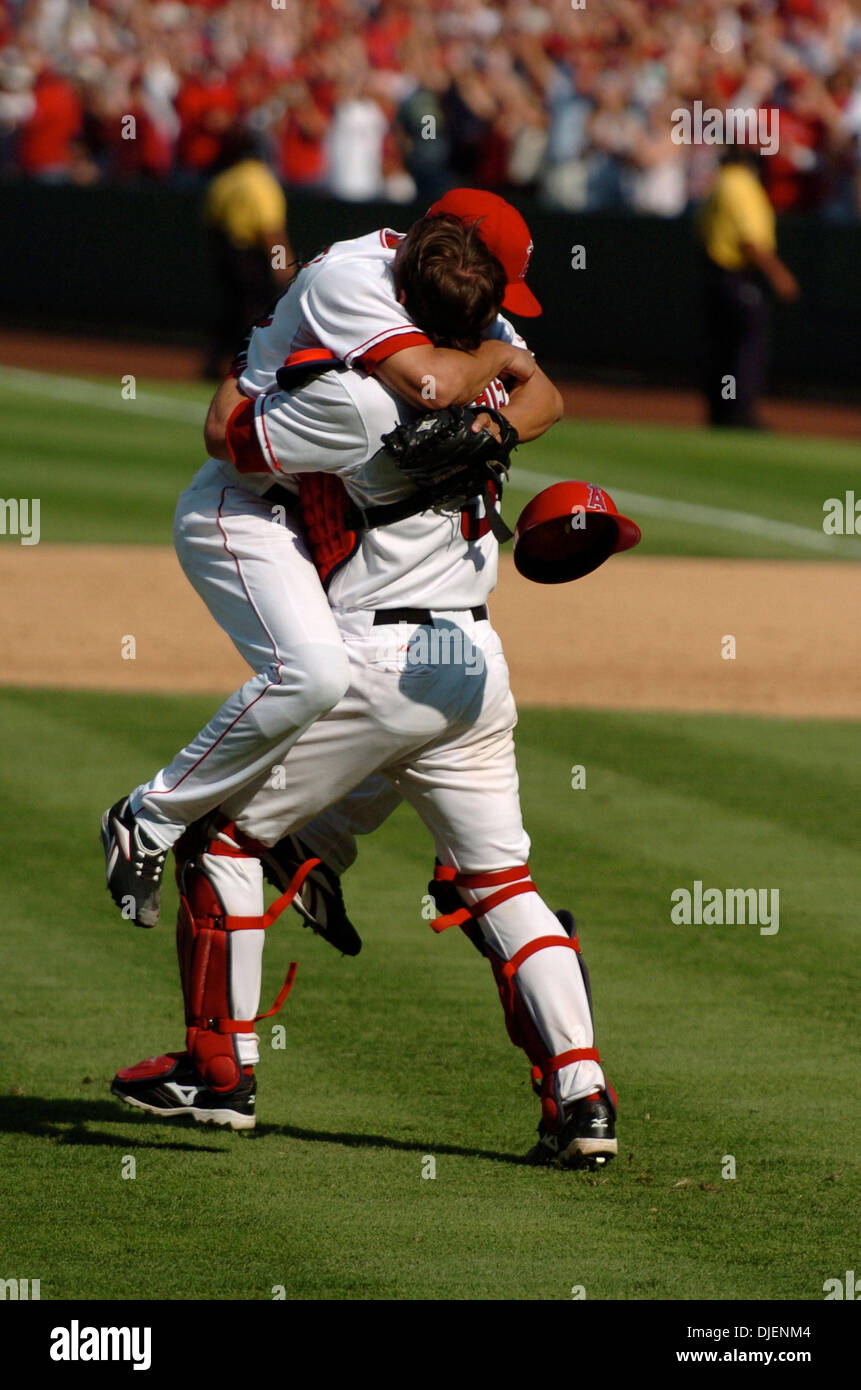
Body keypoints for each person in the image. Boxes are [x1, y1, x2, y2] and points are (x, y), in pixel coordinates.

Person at [110, 349, 620, 1172]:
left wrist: (263, 351)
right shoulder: (492, 390)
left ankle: (218, 1075)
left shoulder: (350, 401)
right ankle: (582, 1095)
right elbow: (538, 390)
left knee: (219, 836)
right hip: (474, 660)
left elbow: (228, 436)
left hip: (379, 656)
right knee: (501, 885)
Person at [101, 192, 552, 931]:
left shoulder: (454, 296)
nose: (504, 315)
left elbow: (548, 397)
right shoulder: (356, 280)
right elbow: (425, 384)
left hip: (317, 510)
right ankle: (148, 815)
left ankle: (310, 845)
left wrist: (494, 427)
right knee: (315, 672)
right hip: (246, 503)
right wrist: (500, 363)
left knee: (399, 686)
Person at [697, 147, 800, 429]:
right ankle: (740, 412)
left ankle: (720, 410)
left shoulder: (719, 183)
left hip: (714, 273)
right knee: (749, 344)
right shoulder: (742, 184)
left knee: (723, 345)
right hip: (737, 275)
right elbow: (751, 240)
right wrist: (780, 276)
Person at [202, 126, 295, 380]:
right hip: (252, 259)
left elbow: (211, 223)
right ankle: (250, 369)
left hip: (226, 254)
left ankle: (214, 365)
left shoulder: (224, 180)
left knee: (230, 312)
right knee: (256, 314)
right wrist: (282, 264)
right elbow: (271, 230)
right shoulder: (260, 180)